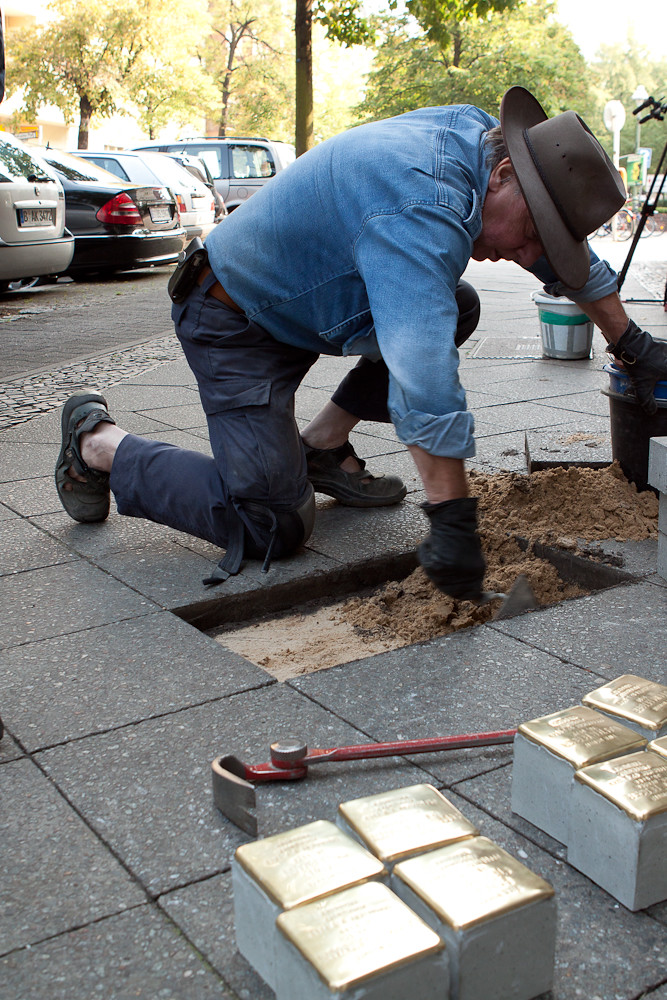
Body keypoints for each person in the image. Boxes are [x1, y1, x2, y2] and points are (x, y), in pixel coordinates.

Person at [55, 86, 667, 599]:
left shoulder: (478, 144)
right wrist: (450, 518)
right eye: (532, 236)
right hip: (231, 322)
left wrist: (634, 345)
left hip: (303, 304)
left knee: (459, 303)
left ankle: (319, 446)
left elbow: (570, 265)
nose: (527, 259)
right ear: (506, 175)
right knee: (273, 525)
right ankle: (98, 445)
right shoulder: (423, 203)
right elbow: (422, 370)